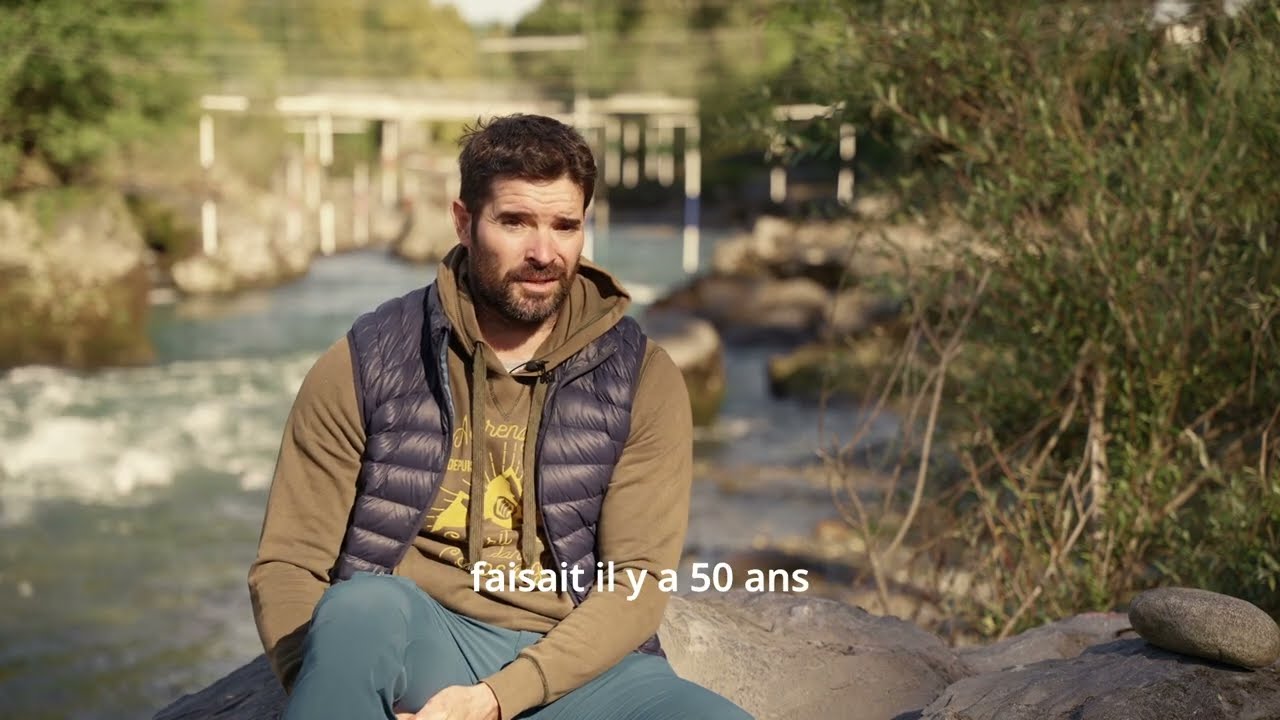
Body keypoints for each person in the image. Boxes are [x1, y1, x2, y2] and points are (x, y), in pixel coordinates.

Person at [248, 114, 753, 720]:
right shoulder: (368, 358)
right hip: (419, 638)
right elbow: (288, 563)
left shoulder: (642, 376)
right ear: (464, 222)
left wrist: (494, 701)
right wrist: (327, 681)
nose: (544, 252)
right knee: (360, 608)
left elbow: (636, 582)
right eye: (515, 222)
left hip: (577, 666)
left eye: (565, 226)